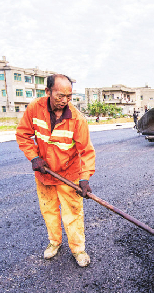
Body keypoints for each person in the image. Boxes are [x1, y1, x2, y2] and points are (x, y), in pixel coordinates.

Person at [16, 74, 96, 267]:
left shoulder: (76, 118)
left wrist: (84, 179)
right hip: (44, 173)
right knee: (49, 210)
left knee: (73, 212)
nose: (65, 100)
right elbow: (23, 135)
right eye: (60, 96)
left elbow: (86, 151)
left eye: (69, 96)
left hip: (69, 174)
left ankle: (78, 249)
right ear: (48, 92)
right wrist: (34, 157)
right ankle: (54, 242)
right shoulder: (35, 108)